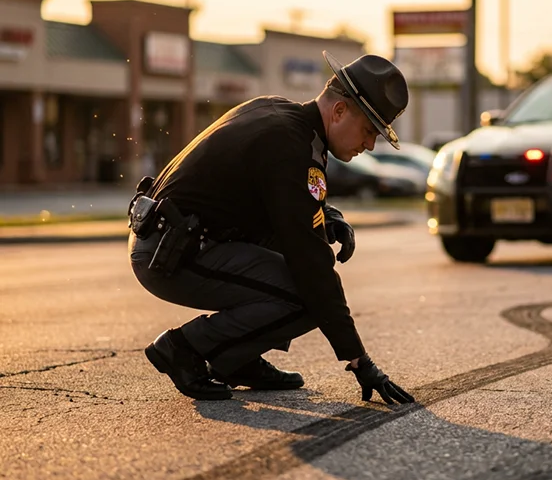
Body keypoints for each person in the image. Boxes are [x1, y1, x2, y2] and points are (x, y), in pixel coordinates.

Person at [127, 50, 415, 405]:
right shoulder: (291, 146)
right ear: (339, 111)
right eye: (369, 130)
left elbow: (278, 203)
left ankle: (235, 359)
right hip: (171, 251)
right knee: (308, 295)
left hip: (174, 238)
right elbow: (312, 268)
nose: (370, 145)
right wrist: (359, 360)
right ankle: (182, 347)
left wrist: (327, 217)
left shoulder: (281, 114)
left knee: (302, 280)